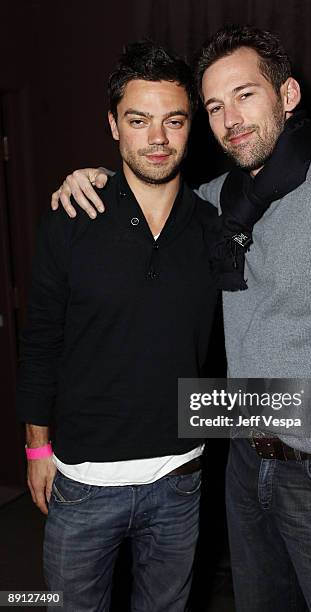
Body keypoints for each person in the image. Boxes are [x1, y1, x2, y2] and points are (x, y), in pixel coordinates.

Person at [50, 25, 311, 612]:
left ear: (288, 94)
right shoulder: (214, 201)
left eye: (246, 95)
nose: (232, 119)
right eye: (216, 106)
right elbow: (149, 189)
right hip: (244, 460)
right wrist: (93, 178)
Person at [17, 40, 221, 611]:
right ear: (113, 124)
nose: (156, 139)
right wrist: (37, 450)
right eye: (138, 120)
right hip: (82, 483)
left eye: (173, 121)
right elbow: (40, 343)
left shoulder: (214, 228)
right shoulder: (71, 216)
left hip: (180, 479)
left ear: (190, 128)